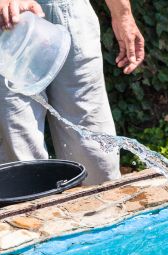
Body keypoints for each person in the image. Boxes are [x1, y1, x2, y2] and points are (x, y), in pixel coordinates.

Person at [0, 0, 144, 185]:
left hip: (70, 10)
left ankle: (103, 203)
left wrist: (122, 14)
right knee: (22, 161)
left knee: (97, 156)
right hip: (6, 20)